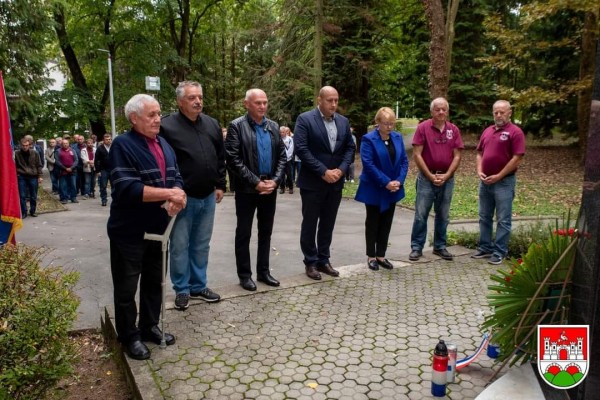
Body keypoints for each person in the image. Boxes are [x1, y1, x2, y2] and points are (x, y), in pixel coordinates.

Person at [108, 94, 186, 360]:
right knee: (127, 288)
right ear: (134, 118)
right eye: (151, 115)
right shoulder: (122, 145)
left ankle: (149, 326)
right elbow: (127, 188)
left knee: (155, 282)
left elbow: (176, 177)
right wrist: (169, 194)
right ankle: (129, 336)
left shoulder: (164, 144)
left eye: (159, 114)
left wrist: (177, 196)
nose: (158, 119)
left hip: (159, 230)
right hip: (129, 231)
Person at [160, 81, 226, 310]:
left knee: (201, 244)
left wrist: (220, 184)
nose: (198, 101)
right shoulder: (167, 126)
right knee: (179, 245)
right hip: (182, 198)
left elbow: (220, 156)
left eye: (200, 97)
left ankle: (199, 285)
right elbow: (163, 162)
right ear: (180, 102)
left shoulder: (212, 124)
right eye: (192, 98)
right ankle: (182, 289)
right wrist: (170, 193)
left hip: (208, 195)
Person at [225, 88, 287, 291]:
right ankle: (245, 275)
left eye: (265, 102)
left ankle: (263, 272)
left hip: (269, 187)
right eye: (257, 102)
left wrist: (275, 181)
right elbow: (233, 159)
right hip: (247, 189)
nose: (262, 106)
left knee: (266, 232)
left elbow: (282, 157)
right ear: (246, 104)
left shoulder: (273, 126)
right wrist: (255, 182)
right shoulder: (236, 126)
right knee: (244, 232)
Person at [294, 86, 356, 280]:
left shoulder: (343, 122)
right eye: (330, 100)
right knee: (310, 223)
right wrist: (323, 171)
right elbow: (301, 149)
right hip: (313, 183)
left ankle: (324, 259)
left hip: (335, 182)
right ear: (319, 100)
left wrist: (341, 169)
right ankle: (310, 262)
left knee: (328, 223)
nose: (334, 104)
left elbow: (350, 148)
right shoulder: (305, 119)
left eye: (336, 100)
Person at [409, 97, 463, 262]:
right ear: (431, 111)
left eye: (444, 109)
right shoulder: (423, 128)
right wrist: (429, 175)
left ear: (447, 111)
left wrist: (447, 175)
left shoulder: (453, 130)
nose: (441, 112)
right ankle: (417, 248)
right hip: (426, 179)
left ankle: (440, 246)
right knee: (421, 214)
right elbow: (417, 154)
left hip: (447, 179)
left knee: (443, 215)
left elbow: (457, 156)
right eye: (437, 109)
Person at [472, 100, 526, 265]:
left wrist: (499, 175)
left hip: (504, 183)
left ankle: (499, 252)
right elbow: (479, 153)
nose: (499, 115)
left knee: (503, 219)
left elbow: (517, 158)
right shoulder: (488, 131)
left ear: (509, 113)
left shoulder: (515, 132)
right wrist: (479, 170)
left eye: (502, 112)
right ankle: (485, 247)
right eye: (496, 112)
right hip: (485, 182)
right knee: (484, 216)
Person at [355, 107, 409, 270]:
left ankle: (381, 255)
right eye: (386, 123)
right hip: (375, 187)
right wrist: (386, 182)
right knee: (373, 222)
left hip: (393, 187)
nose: (389, 127)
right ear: (377, 122)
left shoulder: (397, 137)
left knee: (387, 221)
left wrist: (399, 181)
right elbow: (368, 164)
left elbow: (404, 161)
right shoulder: (368, 139)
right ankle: (371, 256)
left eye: (392, 123)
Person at [15, 137, 43, 218]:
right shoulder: (16, 153)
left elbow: (39, 165)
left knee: (33, 195)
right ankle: (24, 212)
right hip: (22, 176)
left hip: (33, 176)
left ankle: (33, 211)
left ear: (29, 145)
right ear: (21, 145)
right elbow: (14, 165)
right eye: (23, 145)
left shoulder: (35, 153)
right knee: (22, 196)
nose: (25, 147)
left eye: (26, 145)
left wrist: (40, 176)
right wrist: (17, 173)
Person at [54, 137, 79, 204]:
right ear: (61, 144)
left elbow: (76, 160)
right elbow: (57, 161)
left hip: (72, 171)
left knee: (73, 185)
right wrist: (65, 168)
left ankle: (73, 198)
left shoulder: (73, 150)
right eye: (64, 143)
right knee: (63, 186)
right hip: (62, 171)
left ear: (68, 144)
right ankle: (64, 198)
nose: (65, 144)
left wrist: (71, 168)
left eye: (66, 143)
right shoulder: (58, 151)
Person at [94, 134, 112, 206]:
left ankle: (115, 200)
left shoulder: (114, 147)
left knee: (114, 185)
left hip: (113, 169)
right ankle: (104, 200)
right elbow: (96, 160)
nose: (108, 141)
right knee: (103, 186)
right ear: (103, 140)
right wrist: (98, 171)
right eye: (106, 139)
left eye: (109, 139)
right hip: (103, 169)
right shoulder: (100, 148)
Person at [279, 126, 295, 194]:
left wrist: (287, 157)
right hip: (280, 160)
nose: (282, 133)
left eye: (283, 132)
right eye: (280, 132)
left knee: (289, 174)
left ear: (285, 132)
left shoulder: (290, 139)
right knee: (281, 175)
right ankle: (282, 188)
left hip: (288, 160)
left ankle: (291, 188)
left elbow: (291, 149)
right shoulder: (278, 139)